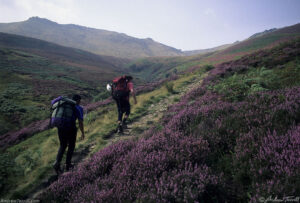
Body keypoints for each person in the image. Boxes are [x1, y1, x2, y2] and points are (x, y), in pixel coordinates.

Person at [52, 94, 85, 174]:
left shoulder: (64, 104)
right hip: (70, 127)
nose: (80, 102)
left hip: (60, 127)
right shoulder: (77, 107)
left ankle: (57, 163)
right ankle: (68, 164)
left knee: (63, 145)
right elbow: (80, 122)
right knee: (71, 145)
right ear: (78, 100)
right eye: (80, 101)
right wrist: (82, 133)